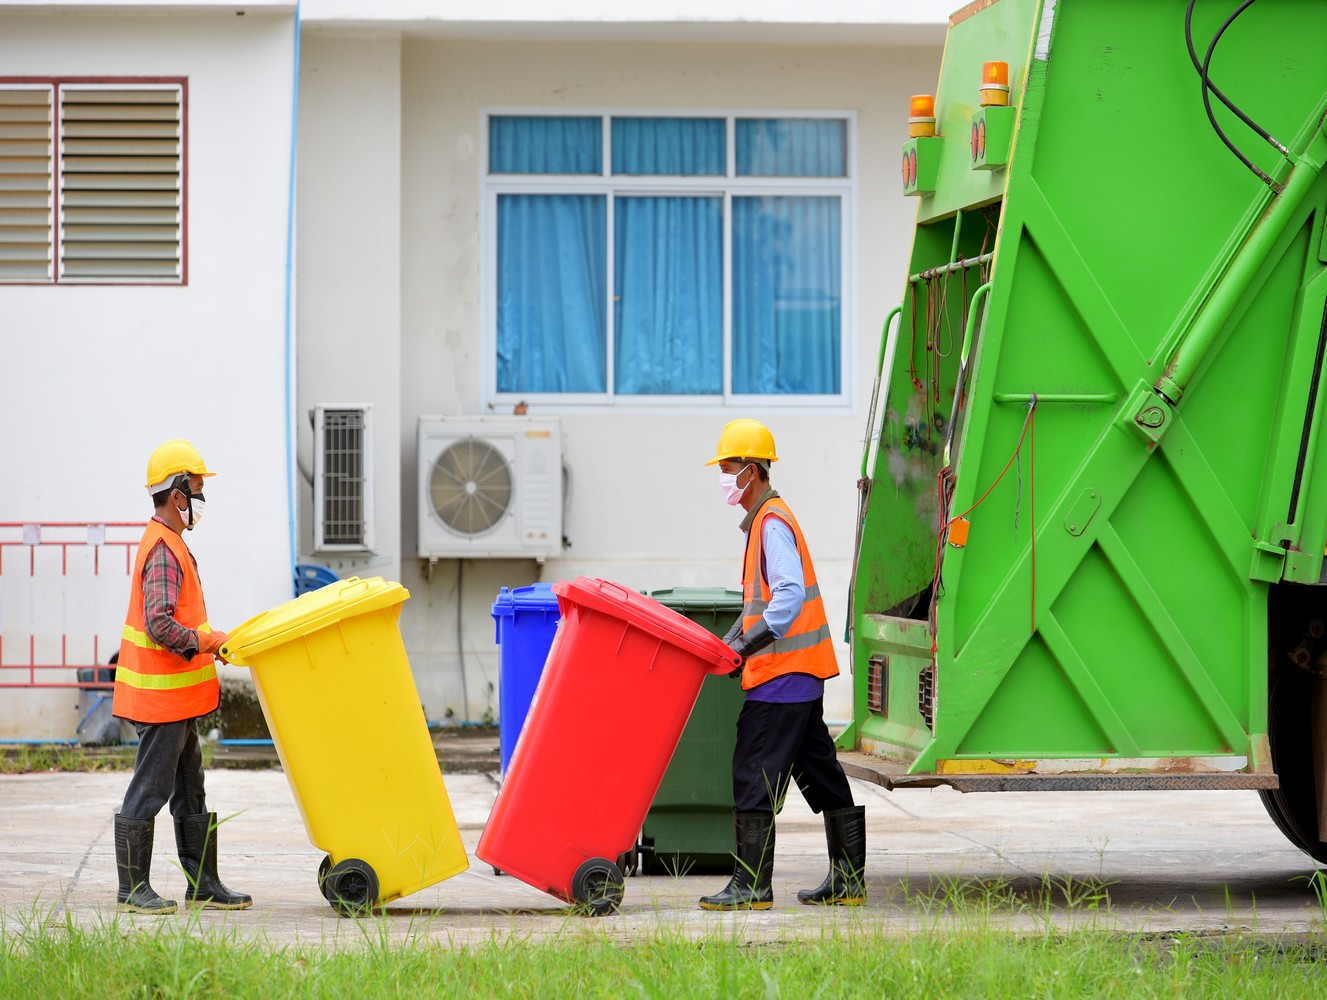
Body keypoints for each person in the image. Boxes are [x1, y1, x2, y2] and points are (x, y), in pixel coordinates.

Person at [698, 419, 866, 910]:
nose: (724, 478)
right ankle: (848, 882)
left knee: (753, 772)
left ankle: (752, 885)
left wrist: (748, 645)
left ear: (752, 470)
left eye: (728, 468)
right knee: (822, 773)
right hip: (800, 679)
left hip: (779, 680)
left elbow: (788, 597)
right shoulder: (768, 520)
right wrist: (732, 643)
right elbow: (759, 602)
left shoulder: (771, 523)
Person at [111, 439, 251, 915]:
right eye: (195, 489)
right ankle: (132, 888)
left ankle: (203, 884)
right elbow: (161, 624)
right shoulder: (165, 550)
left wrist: (216, 640)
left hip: (181, 701)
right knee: (150, 790)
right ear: (176, 495)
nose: (199, 500)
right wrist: (207, 642)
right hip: (161, 700)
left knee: (191, 790)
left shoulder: (172, 543)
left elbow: (183, 619)